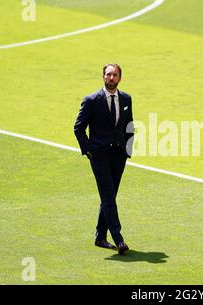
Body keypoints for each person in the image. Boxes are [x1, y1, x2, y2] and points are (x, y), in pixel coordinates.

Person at [74, 63, 134, 255]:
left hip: (118, 156)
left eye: (115, 75)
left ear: (120, 78)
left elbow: (130, 125)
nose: (111, 78)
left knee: (109, 197)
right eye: (108, 74)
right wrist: (89, 150)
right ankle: (118, 238)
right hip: (99, 157)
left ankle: (100, 236)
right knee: (108, 197)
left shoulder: (126, 98)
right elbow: (78, 127)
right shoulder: (91, 100)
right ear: (103, 76)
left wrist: (128, 150)